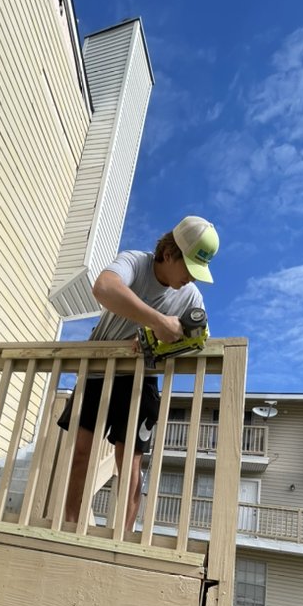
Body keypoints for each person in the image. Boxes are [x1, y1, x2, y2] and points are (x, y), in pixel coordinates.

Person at [57, 215, 219, 534]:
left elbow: (199, 339)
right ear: (169, 253)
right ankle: (70, 529)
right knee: (81, 453)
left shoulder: (191, 297)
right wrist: (158, 321)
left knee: (129, 464)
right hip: (97, 370)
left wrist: (164, 339)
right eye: (189, 268)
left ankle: (123, 535)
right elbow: (104, 288)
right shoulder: (135, 262)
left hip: (141, 377)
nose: (192, 279)